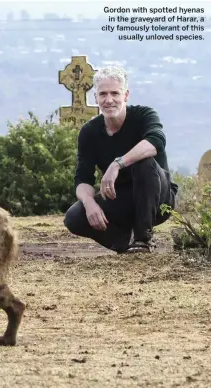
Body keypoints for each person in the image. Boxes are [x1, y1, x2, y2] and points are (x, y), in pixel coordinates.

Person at [63, 65, 178, 254]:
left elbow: (156, 142)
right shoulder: (89, 131)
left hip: (158, 197)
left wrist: (117, 164)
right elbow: (83, 178)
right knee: (74, 216)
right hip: (122, 198)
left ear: (126, 95)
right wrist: (89, 203)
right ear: (96, 98)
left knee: (144, 162)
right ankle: (124, 243)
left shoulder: (144, 115)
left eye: (115, 93)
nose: (109, 100)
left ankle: (143, 240)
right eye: (103, 94)